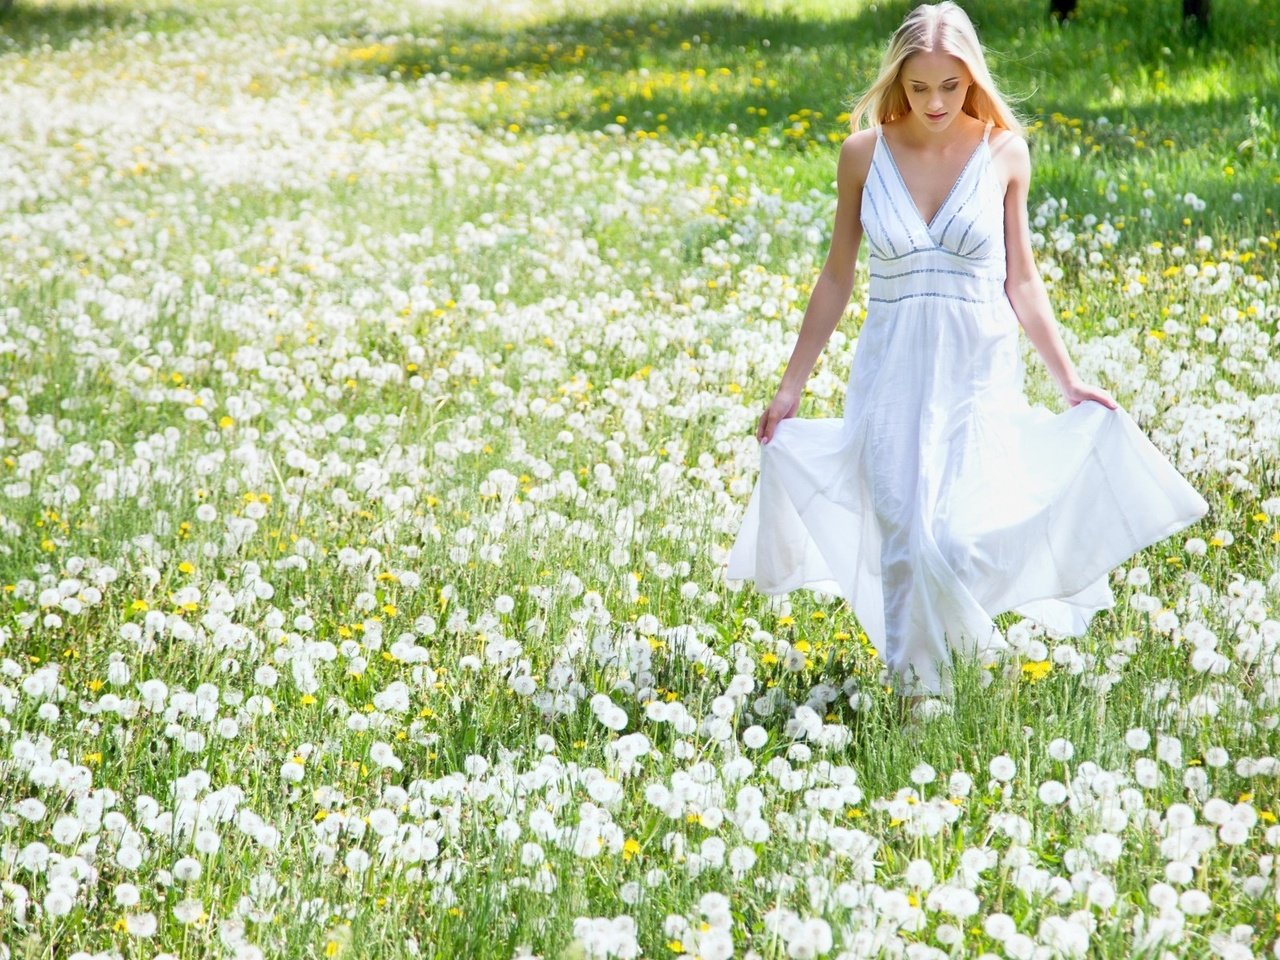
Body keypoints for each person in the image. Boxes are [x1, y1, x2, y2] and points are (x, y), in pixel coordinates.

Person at [725, 1, 1209, 716]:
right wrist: (792, 387)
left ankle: (961, 665)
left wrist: (1069, 379)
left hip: (976, 370)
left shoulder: (1004, 151)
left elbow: (1022, 278)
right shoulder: (863, 154)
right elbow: (835, 277)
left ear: (971, 78)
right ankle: (921, 702)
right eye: (919, 88)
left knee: (953, 537)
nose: (935, 103)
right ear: (899, 81)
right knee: (901, 537)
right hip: (890, 371)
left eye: (949, 87)